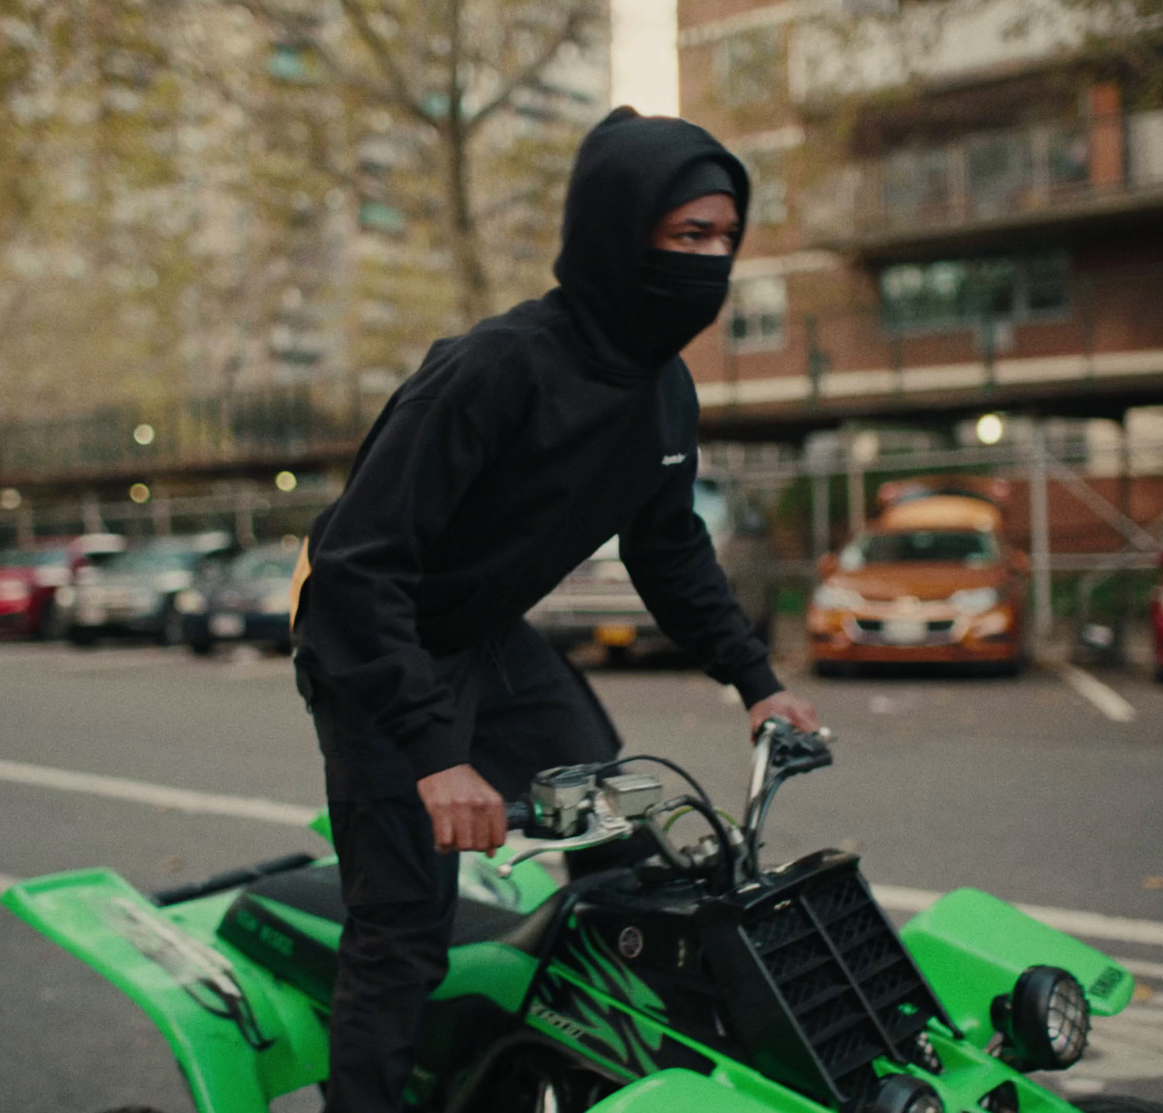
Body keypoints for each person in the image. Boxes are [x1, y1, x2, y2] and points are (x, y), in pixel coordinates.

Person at [291, 106, 819, 1113]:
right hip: (373, 650)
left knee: (627, 850)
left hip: (487, 644)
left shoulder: (664, 392)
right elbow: (355, 565)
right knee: (402, 928)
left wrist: (755, 682)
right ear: (621, 234)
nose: (710, 262)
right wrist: (430, 756)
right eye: (687, 237)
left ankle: (553, 1069)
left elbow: (668, 548)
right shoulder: (495, 368)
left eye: (724, 240)